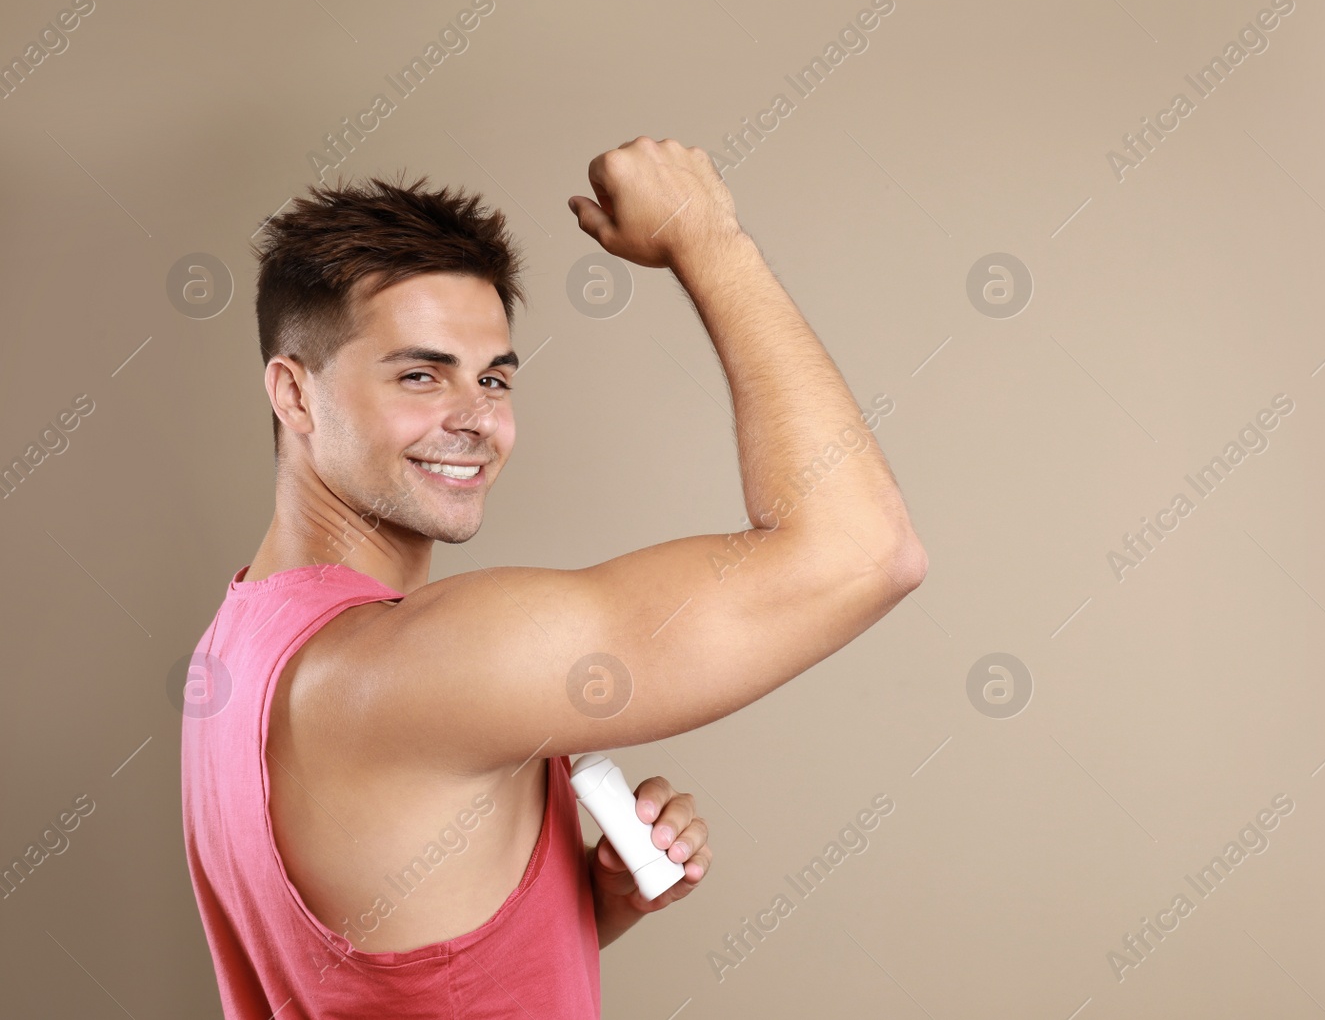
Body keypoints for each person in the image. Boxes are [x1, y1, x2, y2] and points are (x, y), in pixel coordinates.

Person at [179, 136, 927, 1018]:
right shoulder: (429, 662)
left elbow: (378, 968)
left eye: (493, 378)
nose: (476, 421)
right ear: (295, 394)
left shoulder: (236, 648)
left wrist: (589, 903)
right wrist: (709, 240)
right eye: (421, 373)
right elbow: (864, 550)